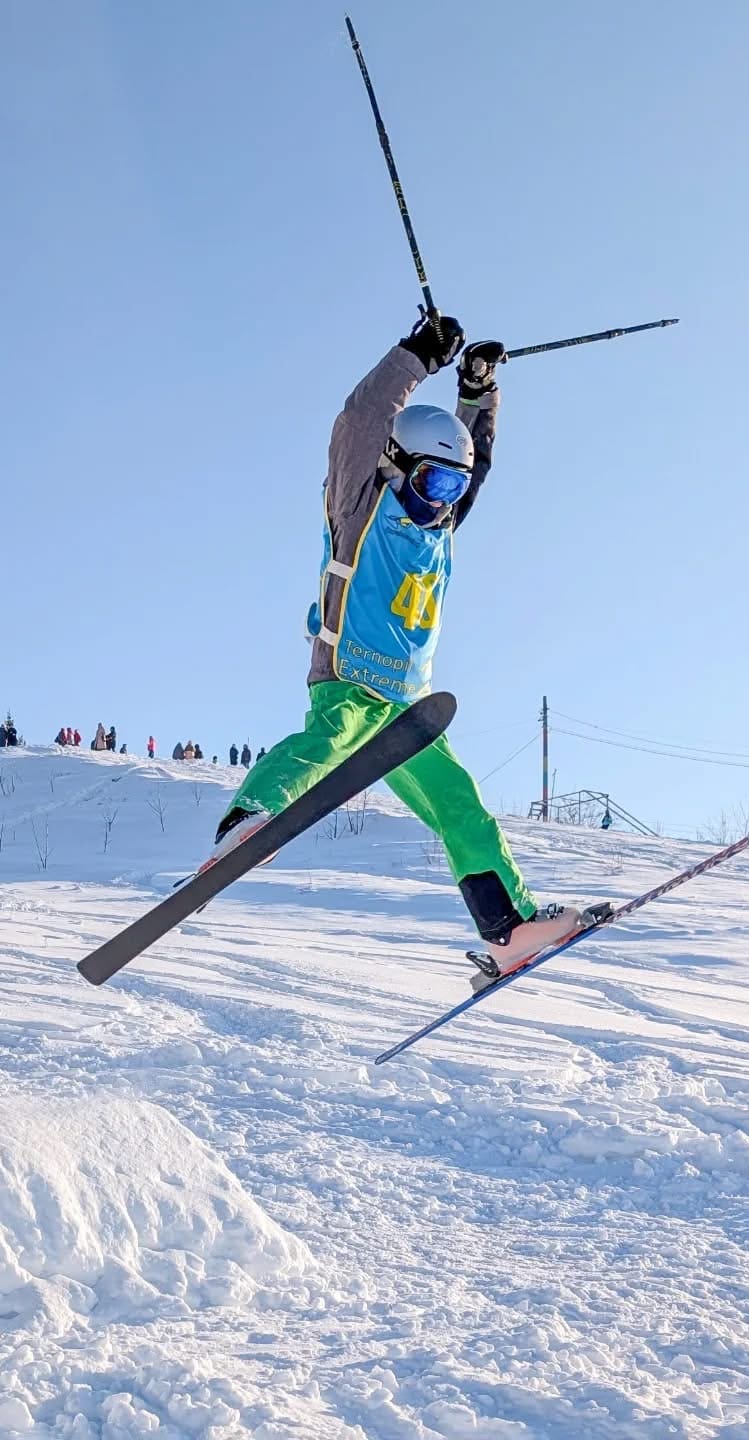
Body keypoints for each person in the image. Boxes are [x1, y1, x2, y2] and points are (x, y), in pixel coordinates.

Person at [207, 313, 582, 984]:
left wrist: (479, 390)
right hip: (350, 677)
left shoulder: (442, 525)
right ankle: (250, 818)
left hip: (410, 707)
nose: (444, 502)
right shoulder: (360, 502)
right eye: (434, 483)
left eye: (454, 489)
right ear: (395, 463)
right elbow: (359, 419)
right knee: (326, 742)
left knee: (459, 804)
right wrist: (415, 356)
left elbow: (476, 459)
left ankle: (508, 927)